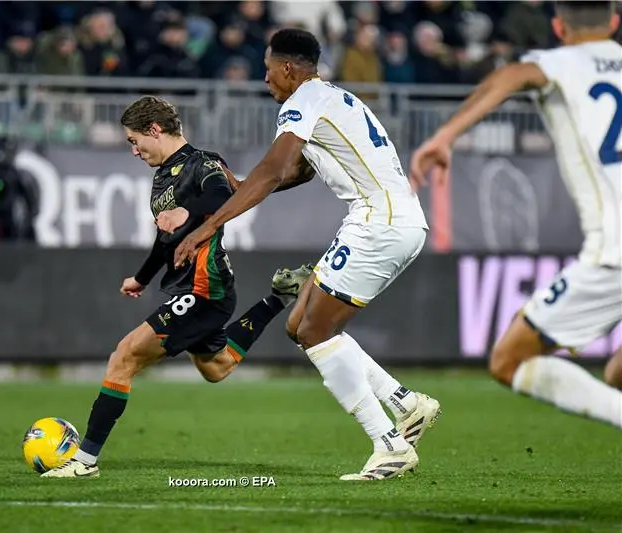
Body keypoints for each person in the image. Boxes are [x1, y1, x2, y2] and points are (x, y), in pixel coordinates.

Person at [174, 29, 441, 481]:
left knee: (317, 329)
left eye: (267, 70)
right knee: (301, 325)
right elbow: (299, 169)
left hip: (378, 222)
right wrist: (241, 187)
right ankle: (406, 404)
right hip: (393, 219)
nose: (265, 80)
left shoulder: (302, 101)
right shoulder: (329, 98)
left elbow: (276, 168)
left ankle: (388, 444)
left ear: (288, 69)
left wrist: (211, 224)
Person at [43, 96, 310, 478]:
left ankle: (84, 462)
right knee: (216, 368)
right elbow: (165, 238)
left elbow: (224, 195)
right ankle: (278, 298)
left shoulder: (203, 163)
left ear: (155, 130)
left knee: (124, 357)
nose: (134, 151)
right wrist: (142, 277)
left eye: (135, 141)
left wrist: (188, 211)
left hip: (205, 287)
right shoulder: (162, 177)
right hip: (188, 286)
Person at [410, 0, 622, 429]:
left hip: (613, 252)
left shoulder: (558, 63)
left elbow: (512, 74)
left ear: (559, 27)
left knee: (509, 360)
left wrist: (445, 135)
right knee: (617, 374)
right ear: (615, 22)